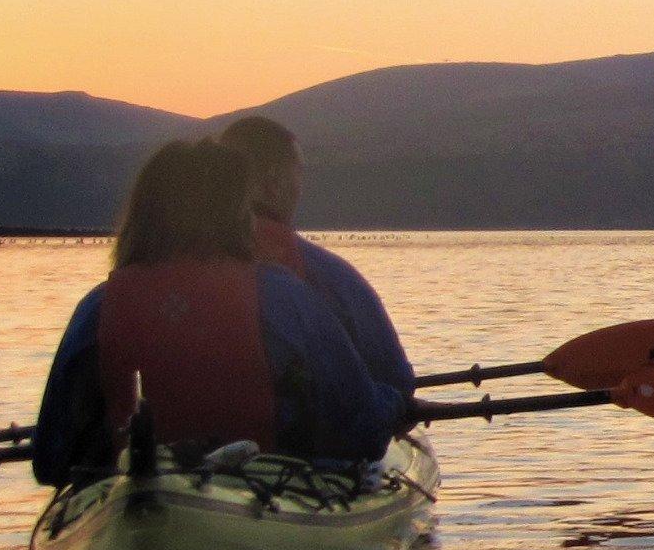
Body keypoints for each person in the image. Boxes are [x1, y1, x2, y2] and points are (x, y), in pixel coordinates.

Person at [30, 138, 412, 485]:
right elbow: (363, 432)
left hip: (130, 489)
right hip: (266, 493)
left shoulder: (97, 307)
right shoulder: (283, 298)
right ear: (235, 212)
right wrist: (393, 403)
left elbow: (51, 461)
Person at [217, 113, 414, 389]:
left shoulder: (165, 270)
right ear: (274, 184)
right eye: (299, 173)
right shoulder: (326, 276)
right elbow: (395, 378)